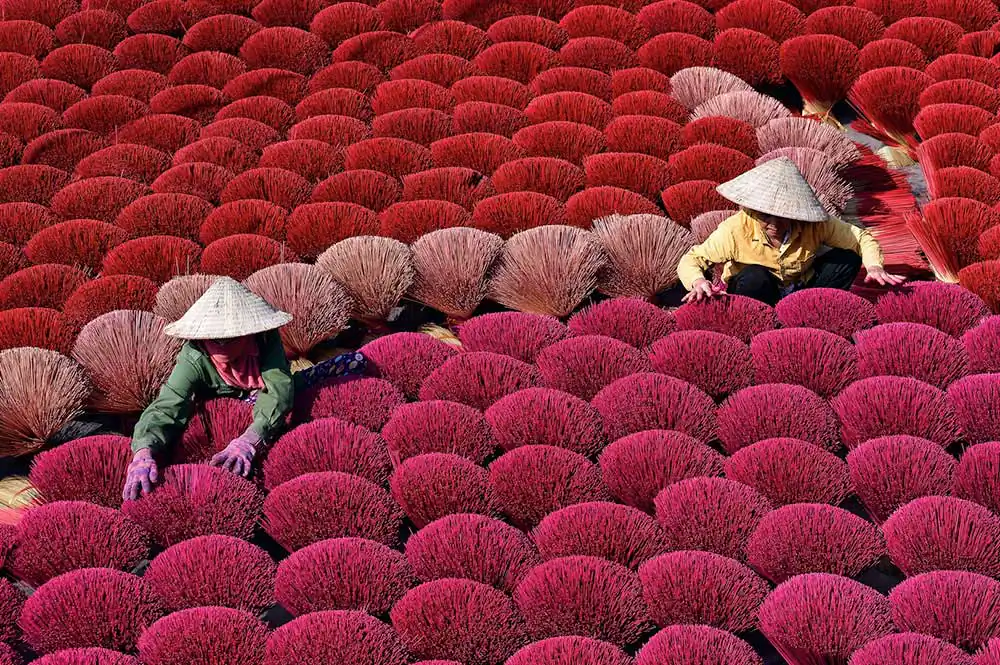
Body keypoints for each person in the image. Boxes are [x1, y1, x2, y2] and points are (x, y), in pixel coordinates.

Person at [122, 277, 366, 500]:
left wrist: (250, 441)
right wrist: (143, 453)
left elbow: (278, 390)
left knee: (351, 363)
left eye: (230, 338)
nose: (221, 344)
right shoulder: (194, 356)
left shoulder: (266, 340)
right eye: (214, 338)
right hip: (217, 416)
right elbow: (168, 405)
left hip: (261, 405)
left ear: (249, 332)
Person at [677, 156, 906, 305]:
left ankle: (815, 307)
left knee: (847, 258)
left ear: (796, 214)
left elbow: (861, 238)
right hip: (755, 294)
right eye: (765, 216)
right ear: (754, 211)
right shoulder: (734, 230)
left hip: (800, 289)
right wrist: (698, 282)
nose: (773, 224)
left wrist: (875, 267)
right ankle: (760, 317)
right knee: (754, 276)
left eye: (783, 217)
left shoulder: (814, 224)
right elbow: (692, 259)